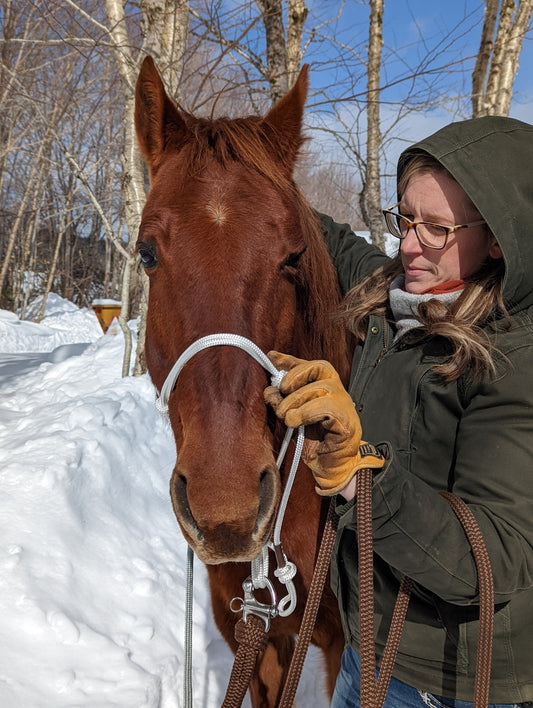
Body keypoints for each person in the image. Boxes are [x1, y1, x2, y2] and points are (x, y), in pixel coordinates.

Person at [265, 116, 533, 707]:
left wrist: (358, 475)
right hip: (371, 646)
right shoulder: (403, 295)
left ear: (497, 239)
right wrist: (253, 171)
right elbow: (333, 242)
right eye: (405, 218)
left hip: (453, 683)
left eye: (436, 228)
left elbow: (491, 560)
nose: (408, 243)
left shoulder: (514, 358)